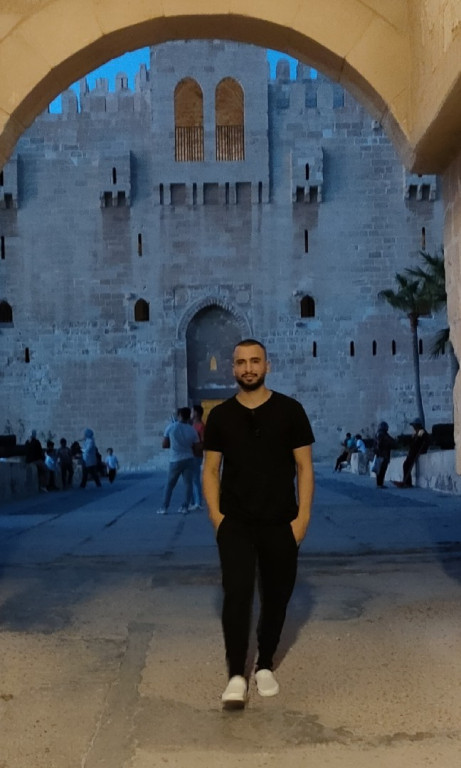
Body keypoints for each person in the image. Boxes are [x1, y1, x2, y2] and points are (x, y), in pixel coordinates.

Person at [202, 338, 315, 709]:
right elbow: (211, 470)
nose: (248, 368)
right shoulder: (220, 417)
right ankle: (236, 674)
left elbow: (304, 467)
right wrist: (217, 518)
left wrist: (302, 519)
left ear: (267, 365)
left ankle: (265, 663)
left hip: (281, 521)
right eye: (241, 362)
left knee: (277, 595)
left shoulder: (291, 411)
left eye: (255, 361)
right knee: (237, 594)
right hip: (235, 522)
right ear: (233, 368)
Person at [156, 407, 199, 515]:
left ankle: (164, 507)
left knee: (170, 484)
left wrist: (175, 444)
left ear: (179, 415)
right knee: (188, 484)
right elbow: (196, 446)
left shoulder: (171, 427)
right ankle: (185, 507)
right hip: (189, 458)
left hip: (175, 459)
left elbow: (164, 445)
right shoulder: (192, 430)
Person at [393, 418, 431, 488]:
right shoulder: (417, 432)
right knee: (406, 465)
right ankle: (407, 482)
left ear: (417, 425)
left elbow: (422, 441)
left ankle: (407, 483)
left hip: (415, 452)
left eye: (414, 425)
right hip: (412, 452)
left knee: (406, 465)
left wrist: (421, 451)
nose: (413, 427)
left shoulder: (421, 431)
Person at [190, 404, 205, 510]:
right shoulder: (192, 425)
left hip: (196, 454)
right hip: (191, 454)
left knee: (195, 479)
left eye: (192, 411)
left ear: (196, 413)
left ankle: (198, 502)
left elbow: (203, 441)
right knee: (191, 479)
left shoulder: (200, 426)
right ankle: (193, 501)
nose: (191, 414)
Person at [372, 421, 396, 488]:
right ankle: (380, 484)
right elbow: (388, 442)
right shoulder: (382, 434)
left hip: (380, 455)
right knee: (382, 470)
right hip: (383, 455)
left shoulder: (378, 434)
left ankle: (379, 484)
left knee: (379, 470)